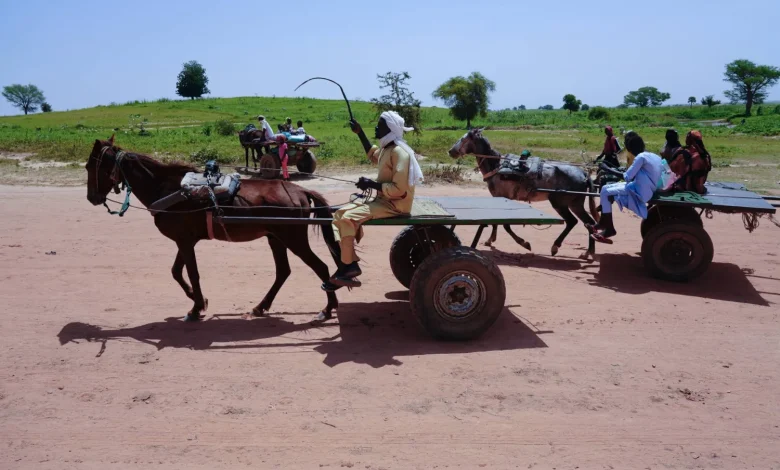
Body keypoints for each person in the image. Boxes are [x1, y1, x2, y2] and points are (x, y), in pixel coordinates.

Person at [328, 111, 424, 288]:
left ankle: (347, 266)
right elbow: (373, 155)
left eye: (380, 124)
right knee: (339, 214)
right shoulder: (388, 149)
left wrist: (371, 184)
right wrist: (360, 133)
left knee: (348, 218)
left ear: (390, 128)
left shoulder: (399, 153)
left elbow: (399, 190)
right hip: (384, 201)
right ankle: (349, 263)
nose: (376, 127)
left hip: (396, 205)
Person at [589, 132, 663, 243]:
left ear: (629, 148)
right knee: (606, 187)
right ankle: (603, 222)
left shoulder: (640, 157)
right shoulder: (652, 155)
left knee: (604, 191)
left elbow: (627, 177)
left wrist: (606, 168)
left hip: (640, 190)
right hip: (645, 187)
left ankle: (609, 229)